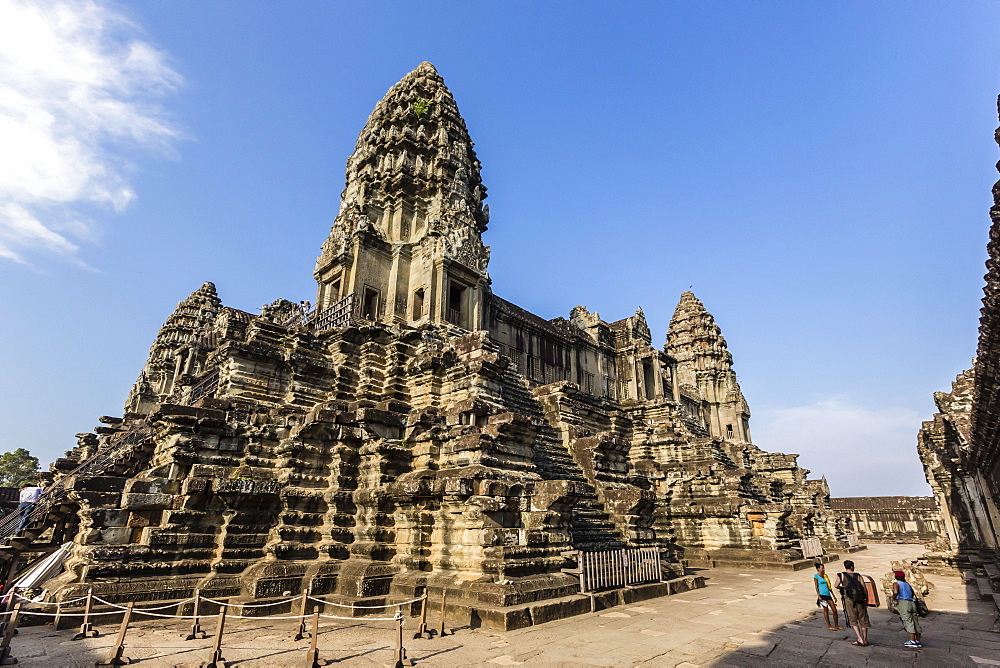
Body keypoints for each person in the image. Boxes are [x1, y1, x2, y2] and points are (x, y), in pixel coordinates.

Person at [835, 560, 871, 646]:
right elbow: (864, 588)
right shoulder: (858, 575)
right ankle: (865, 639)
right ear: (852, 567)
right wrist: (866, 599)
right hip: (860, 600)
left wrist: (844, 588)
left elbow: (836, 585)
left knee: (853, 619)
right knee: (863, 619)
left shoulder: (841, 575)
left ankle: (859, 638)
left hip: (849, 599)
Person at [893, 570, 923, 648]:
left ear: (896, 576)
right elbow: (912, 593)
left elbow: (896, 592)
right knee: (915, 621)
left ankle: (912, 641)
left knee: (908, 621)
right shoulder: (907, 584)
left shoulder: (896, 583)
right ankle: (918, 640)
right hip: (911, 602)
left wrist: (894, 598)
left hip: (903, 603)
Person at [813, 563, 843, 630]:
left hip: (828, 594)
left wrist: (833, 595)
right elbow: (816, 586)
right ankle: (829, 625)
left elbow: (829, 586)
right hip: (822, 594)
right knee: (826, 610)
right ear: (818, 569)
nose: (823, 569)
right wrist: (818, 596)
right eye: (822, 568)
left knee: (834, 610)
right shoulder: (816, 576)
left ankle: (836, 625)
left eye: (823, 568)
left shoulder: (825, 576)